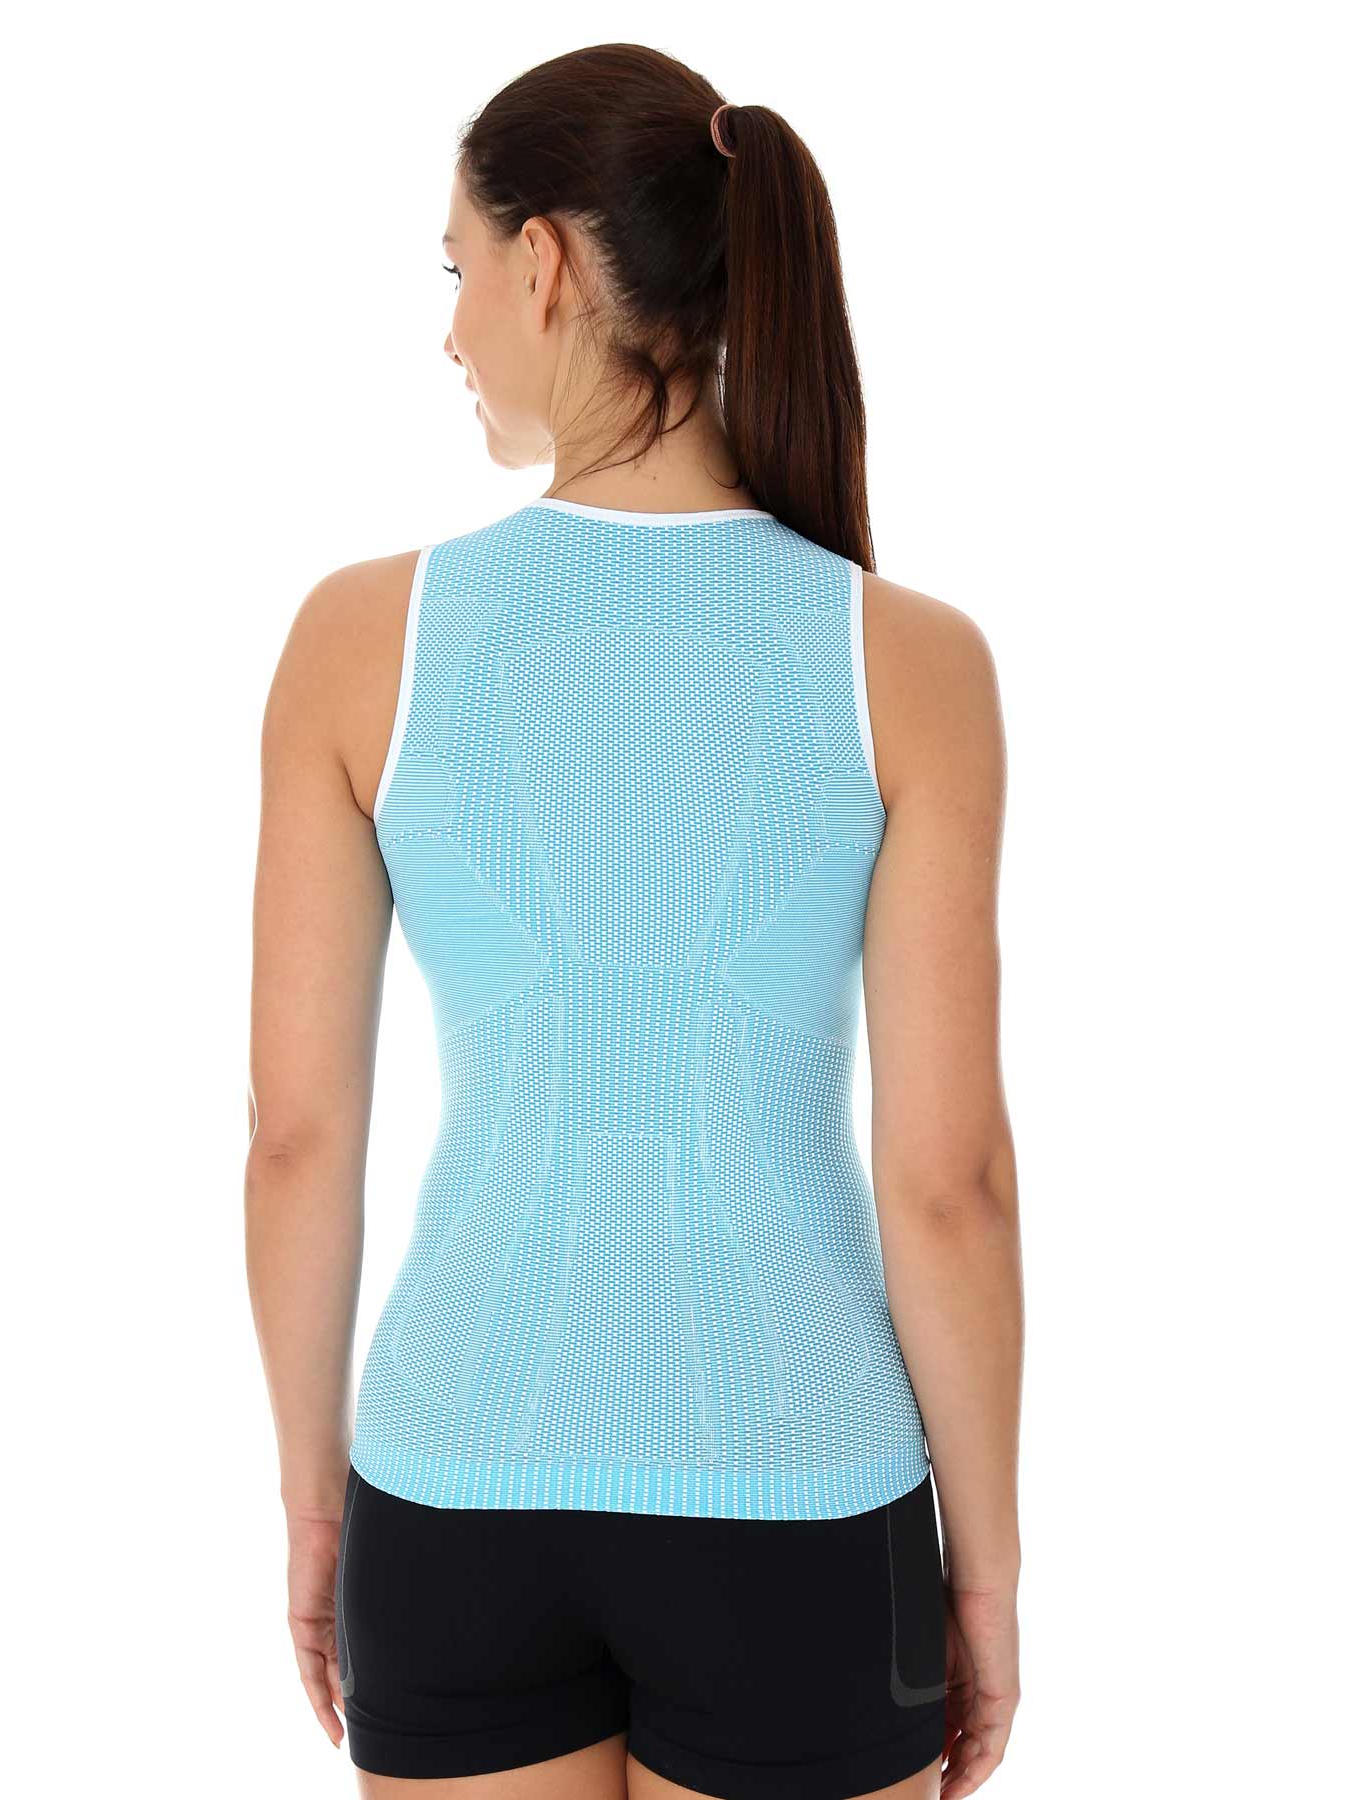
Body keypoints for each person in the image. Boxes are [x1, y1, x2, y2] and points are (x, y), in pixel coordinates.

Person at [246, 43, 1022, 1800]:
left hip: (453, 1484)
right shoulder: (910, 662)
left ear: (542, 265)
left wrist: (312, 1503)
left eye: (456, 268)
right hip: (804, 1499)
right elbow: (948, 1180)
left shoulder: (360, 641)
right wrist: (981, 1571)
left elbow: (296, 1137)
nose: (450, 329)